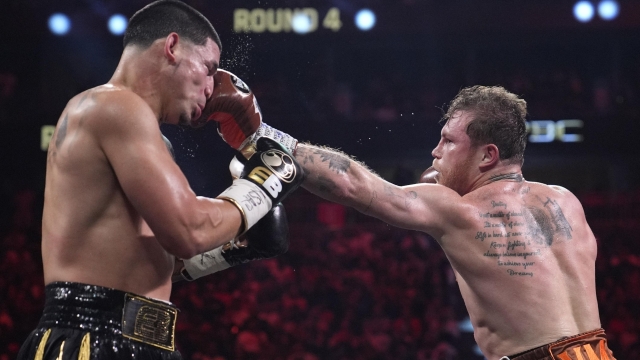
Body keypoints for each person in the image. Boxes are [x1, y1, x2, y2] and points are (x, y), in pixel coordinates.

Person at [203, 72, 616, 360]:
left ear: (487, 155)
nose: (435, 151)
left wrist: (260, 135)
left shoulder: (458, 209)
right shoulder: (566, 202)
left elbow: (357, 187)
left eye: (447, 141)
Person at [17, 1, 304, 359]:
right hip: (90, 336)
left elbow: (150, 261)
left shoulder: (142, 132)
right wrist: (263, 185)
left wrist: (233, 251)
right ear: (171, 47)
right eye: (209, 67)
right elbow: (189, 231)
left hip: (136, 340)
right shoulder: (114, 106)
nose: (212, 88)